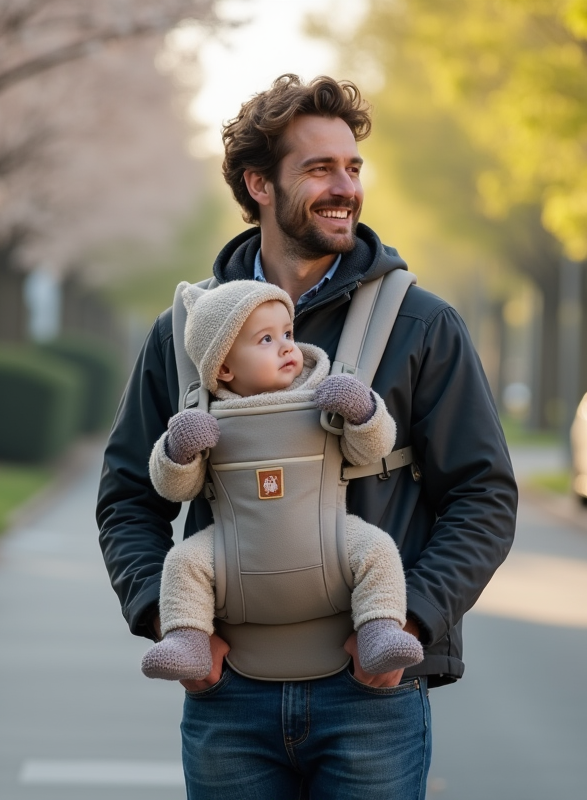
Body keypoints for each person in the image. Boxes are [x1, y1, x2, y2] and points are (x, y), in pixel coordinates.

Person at [97, 74, 517, 799]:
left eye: (353, 167)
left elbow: (484, 496)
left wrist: (411, 620)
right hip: (229, 697)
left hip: (372, 695)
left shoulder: (422, 326)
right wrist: (169, 619)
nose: (345, 188)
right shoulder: (183, 337)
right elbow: (128, 499)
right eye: (320, 169)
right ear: (259, 184)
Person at [140, 278, 423, 681]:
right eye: (266, 339)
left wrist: (363, 412)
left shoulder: (324, 394)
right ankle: (187, 639)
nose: (288, 346)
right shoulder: (205, 416)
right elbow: (176, 489)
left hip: (329, 535)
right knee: (183, 562)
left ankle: (379, 631)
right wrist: (177, 451)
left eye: (287, 333)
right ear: (224, 367)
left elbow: (371, 450)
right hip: (233, 549)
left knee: (378, 550)